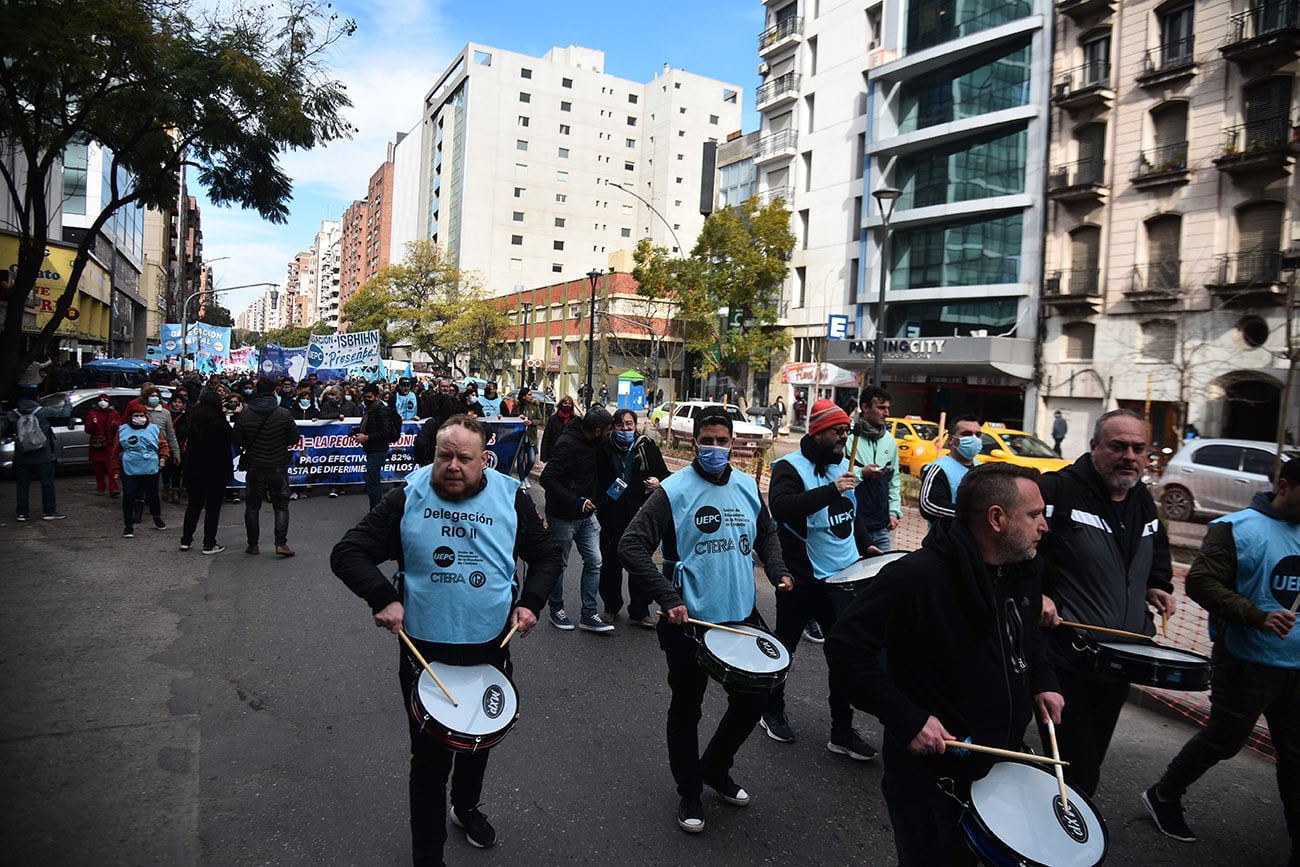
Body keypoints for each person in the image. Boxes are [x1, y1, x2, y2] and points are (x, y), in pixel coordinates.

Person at [330, 415, 563, 867]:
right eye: (444, 455)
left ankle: (467, 806)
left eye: (464, 458)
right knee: (430, 758)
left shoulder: (511, 498)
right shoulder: (407, 497)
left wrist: (532, 602)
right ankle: (428, 855)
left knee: (479, 738)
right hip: (425, 653)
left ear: (485, 459)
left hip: (491, 646)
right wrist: (382, 597)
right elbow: (348, 552)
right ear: (433, 453)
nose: (453, 466)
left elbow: (547, 553)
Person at [826, 463, 1063, 865]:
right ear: (997, 519)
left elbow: (1026, 636)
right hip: (931, 777)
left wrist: (1042, 678)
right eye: (1034, 515)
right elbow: (845, 648)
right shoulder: (917, 577)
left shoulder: (1021, 572)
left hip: (999, 762)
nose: (1044, 526)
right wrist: (907, 718)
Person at [620, 410, 792, 834]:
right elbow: (631, 545)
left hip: (741, 616)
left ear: (733, 442)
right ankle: (689, 790)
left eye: (722, 440)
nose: (715, 448)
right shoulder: (674, 491)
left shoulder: (748, 485)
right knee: (687, 707)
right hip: (689, 622)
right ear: (694, 441)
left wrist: (777, 569)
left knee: (755, 699)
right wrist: (667, 597)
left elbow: (766, 534)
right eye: (707, 440)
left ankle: (715, 767)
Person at [1142, 459, 1300, 851]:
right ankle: (1164, 794)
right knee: (1224, 740)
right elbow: (1201, 582)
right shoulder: (1237, 529)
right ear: (1283, 486)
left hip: (1295, 668)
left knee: (1296, 754)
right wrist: (1256, 616)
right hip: (1246, 663)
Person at [1036, 408, 1176, 797]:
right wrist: (1037, 595)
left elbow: (1157, 547)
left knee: (1090, 759)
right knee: (1077, 773)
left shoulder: (1142, 499)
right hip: (1065, 659)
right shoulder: (1058, 491)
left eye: (1138, 448)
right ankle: (1053, 843)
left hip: (1120, 660)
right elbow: (1019, 551)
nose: (1129, 456)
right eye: (1118, 446)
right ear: (1095, 446)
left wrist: (1159, 585)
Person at [759, 399, 877, 760]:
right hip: (803, 577)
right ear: (817, 432)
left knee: (843, 655)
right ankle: (771, 711)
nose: (844, 436)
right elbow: (781, 508)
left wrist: (867, 545)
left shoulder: (845, 465)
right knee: (786, 648)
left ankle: (841, 731)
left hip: (843, 579)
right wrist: (831, 490)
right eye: (837, 431)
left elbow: (849, 513)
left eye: (846, 430)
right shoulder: (789, 467)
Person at [539, 405, 614, 633]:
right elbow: (547, 478)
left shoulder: (594, 442)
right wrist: (575, 501)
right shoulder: (568, 445)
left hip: (587, 516)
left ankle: (589, 614)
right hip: (563, 516)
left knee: (594, 561)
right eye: (609, 430)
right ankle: (556, 609)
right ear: (599, 431)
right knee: (559, 564)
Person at [594, 408, 670, 627]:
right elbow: (594, 477)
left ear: (636, 425)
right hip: (611, 512)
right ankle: (611, 607)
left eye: (629, 424)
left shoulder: (646, 447)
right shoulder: (603, 447)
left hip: (639, 512)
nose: (625, 429)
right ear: (614, 427)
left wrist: (658, 483)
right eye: (620, 425)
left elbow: (664, 475)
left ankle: (639, 610)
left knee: (640, 562)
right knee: (610, 563)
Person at [232, 378, 300, 557]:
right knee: (281, 506)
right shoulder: (283, 414)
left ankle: (253, 545)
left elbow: (237, 440)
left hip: (254, 466)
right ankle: (281, 544)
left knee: (253, 507)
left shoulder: (245, 415)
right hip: (278, 465)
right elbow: (294, 438)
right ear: (273, 392)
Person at [848, 386, 901, 555]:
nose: (886, 413)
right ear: (865, 407)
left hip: (881, 528)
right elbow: (835, 477)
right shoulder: (848, 436)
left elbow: (894, 480)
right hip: (852, 526)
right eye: (881, 408)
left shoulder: (889, 441)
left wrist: (893, 512)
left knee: (882, 577)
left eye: (888, 408)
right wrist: (861, 473)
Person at [179, 391, 234, 554]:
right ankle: (209, 543)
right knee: (213, 508)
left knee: (193, 506)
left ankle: (186, 540)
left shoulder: (193, 420)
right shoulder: (220, 423)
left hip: (195, 469)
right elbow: (231, 439)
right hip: (216, 471)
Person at [4, 392, 71, 521]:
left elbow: (3, 430)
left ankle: (22, 513)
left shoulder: (13, 414)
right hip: (43, 455)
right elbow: (64, 413)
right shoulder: (43, 412)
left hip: (22, 456)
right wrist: (67, 401)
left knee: (22, 484)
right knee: (47, 483)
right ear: (36, 398)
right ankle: (49, 511)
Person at [112, 405, 171, 537]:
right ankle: (128, 526)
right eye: (136, 416)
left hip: (150, 467)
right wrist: (115, 469)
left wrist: (163, 458)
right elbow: (115, 451)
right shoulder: (122, 430)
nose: (139, 418)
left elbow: (163, 445)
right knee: (129, 496)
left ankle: (157, 518)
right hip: (129, 468)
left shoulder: (154, 429)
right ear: (130, 417)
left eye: (142, 415)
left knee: (153, 495)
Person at [917, 414, 983, 529]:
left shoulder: (983, 469)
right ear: (952, 440)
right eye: (966, 434)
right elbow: (929, 505)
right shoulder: (939, 468)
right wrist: (971, 516)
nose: (974, 439)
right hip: (946, 542)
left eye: (977, 435)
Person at [356, 381, 400, 510]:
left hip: (378, 449)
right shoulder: (370, 410)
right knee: (371, 481)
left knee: (373, 482)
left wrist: (367, 437)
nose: (366, 400)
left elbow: (385, 432)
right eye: (365, 397)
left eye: (369, 397)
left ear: (376, 397)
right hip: (371, 449)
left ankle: (376, 510)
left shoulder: (381, 411)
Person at [85, 393, 122, 497]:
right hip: (97, 444)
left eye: (105, 400)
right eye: (101, 400)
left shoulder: (114, 413)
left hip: (110, 444)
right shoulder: (92, 413)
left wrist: (115, 425)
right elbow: (88, 429)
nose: (103, 402)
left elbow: (118, 428)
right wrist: (93, 424)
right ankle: (100, 487)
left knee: (112, 466)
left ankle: (113, 488)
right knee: (98, 467)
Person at [514, 387, 546, 490]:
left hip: (531, 437)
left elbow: (541, 420)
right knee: (521, 460)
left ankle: (525, 476)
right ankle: (522, 479)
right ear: (523, 396)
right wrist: (519, 417)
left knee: (531, 459)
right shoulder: (518, 406)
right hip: (520, 437)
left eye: (531, 394)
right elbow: (512, 417)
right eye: (529, 395)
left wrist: (532, 422)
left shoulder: (535, 406)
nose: (531, 397)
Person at [540, 395, 577, 463]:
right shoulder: (553, 419)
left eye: (569, 404)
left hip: (569, 454)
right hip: (554, 453)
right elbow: (546, 437)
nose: (567, 406)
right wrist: (544, 455)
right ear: (561, 404)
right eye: (565, 403)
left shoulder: (574, 420)